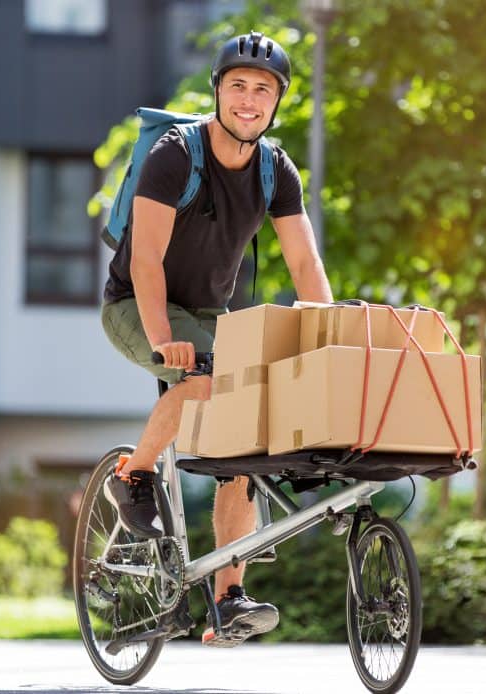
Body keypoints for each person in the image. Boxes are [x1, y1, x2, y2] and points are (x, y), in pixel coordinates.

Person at [100, 31, 333, 647]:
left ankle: (229, 597)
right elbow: (146, 259)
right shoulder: (176, 155)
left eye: (262, 90)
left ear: (276, 102)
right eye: (238, 86)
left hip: (209, 313)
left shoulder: (275, 170)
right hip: (135, 305)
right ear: (218, 92)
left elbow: (305, 265)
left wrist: (330, 339)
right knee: (206, 378)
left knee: (246, 443)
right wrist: (162, 339)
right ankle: (133, 476)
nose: (249, 100)